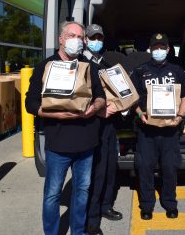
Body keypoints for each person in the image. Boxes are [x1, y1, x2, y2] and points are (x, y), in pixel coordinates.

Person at [25, 21, 106, 235]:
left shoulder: (89, 67)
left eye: (80, 38)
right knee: (52, 194)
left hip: (86, 143)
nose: (77, 41)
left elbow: (101, 97)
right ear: (61, 39)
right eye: (72, 36)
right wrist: (54, 113)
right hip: (58, 144)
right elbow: (30, 103)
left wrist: (93, 108)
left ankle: (78, 231)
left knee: (82, 191)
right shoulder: (45, 66)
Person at [131, 33, 185, 220]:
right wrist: (139, 113)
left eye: (162, 47)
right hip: (146, 130)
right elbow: (130, 96)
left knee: (169, 167)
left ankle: (170, 203)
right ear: (150, 49)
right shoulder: (140, 71)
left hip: (170, 130)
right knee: (145, 168)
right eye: (155, 47)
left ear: (168, 49)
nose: (158, 50)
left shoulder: (177, 71)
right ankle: (147, 205)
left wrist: (180, 116)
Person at [83, 24, 123, 235]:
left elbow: (118, 91)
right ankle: (92, 218)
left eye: (100, 36)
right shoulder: (80, 64)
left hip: (110, 124)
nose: (96, 40)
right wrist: (98, 111)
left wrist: (120, 105)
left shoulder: (106, 63)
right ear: (85, 40)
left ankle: (106, 205)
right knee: (95, 171)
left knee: (109, 166)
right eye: (93, 37)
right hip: (91, 124)